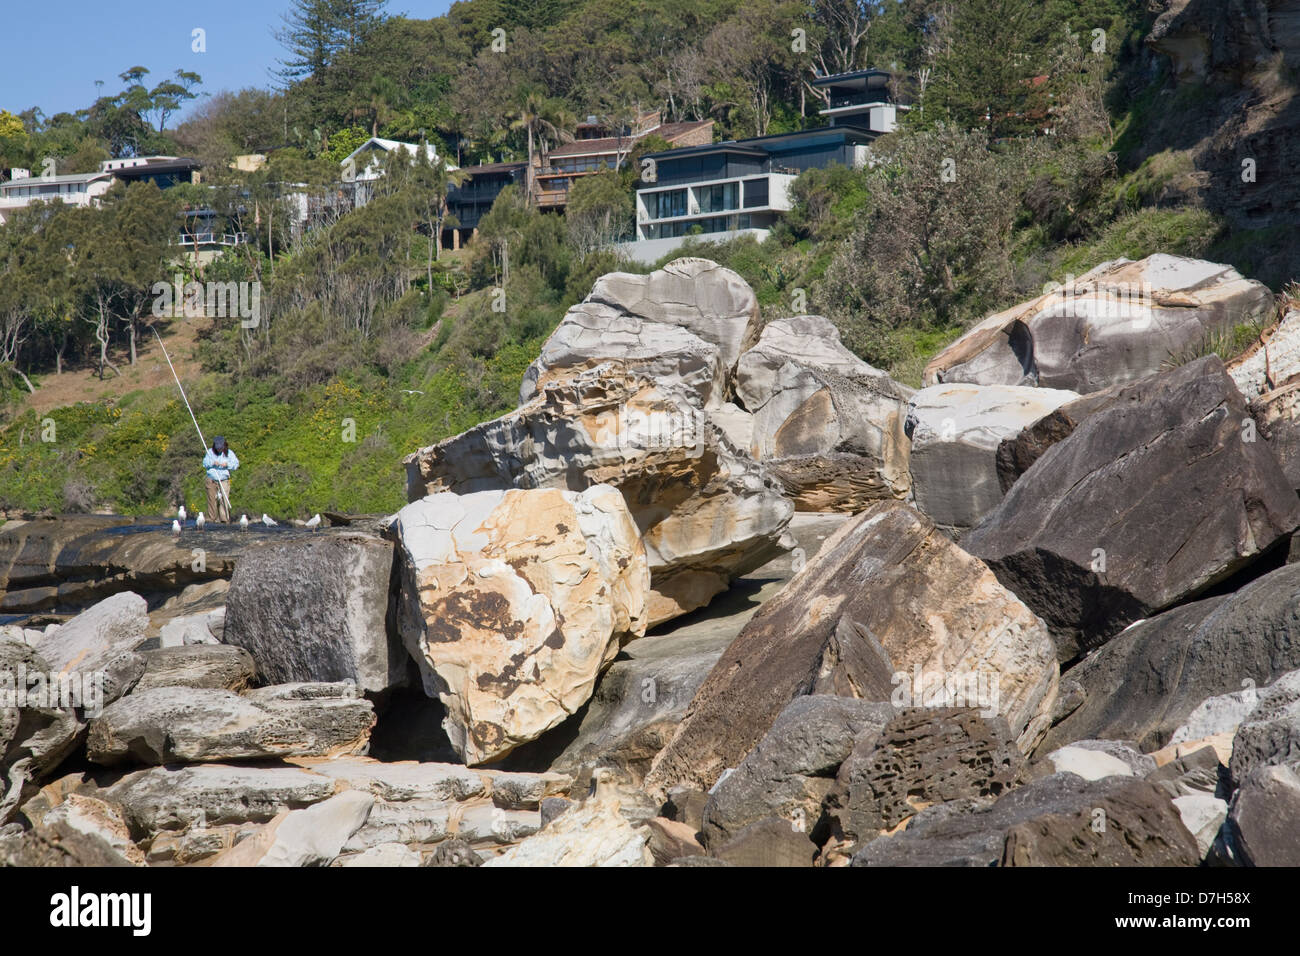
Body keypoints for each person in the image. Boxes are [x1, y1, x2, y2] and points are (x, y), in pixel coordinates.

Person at [203, 436, 239, 523]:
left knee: (224, 499)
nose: (219, 449)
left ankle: (224, 519)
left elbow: (236, 464)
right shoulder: (210, 452)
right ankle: (212, 519)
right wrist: (212, 463)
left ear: (224, 446)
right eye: (217, 447)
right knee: (212, 500)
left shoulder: (230, 453)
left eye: (220, 447)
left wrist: (227, 464)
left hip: (224, 479)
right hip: (211, 479)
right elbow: (204, 463)